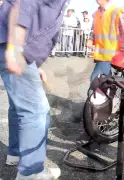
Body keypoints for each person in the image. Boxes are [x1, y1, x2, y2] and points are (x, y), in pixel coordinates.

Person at [0, 0, 70, 179]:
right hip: (12, 40)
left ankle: (15, 154)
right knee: (36, 110)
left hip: (9, 39)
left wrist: (34, 65)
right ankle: (31, 173)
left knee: (19, 105)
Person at [86, 0, 124, 82]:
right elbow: (94, 30)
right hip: (100, 54)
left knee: (95, 79)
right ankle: (109, 92)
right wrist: (91, 39)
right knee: (105, 80)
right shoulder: (96, 13)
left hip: (111, 54)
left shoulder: (117, 12)